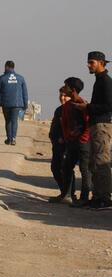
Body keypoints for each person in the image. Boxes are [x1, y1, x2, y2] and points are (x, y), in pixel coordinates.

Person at [71, 51, 112, 210]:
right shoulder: (99, 81)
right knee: (94, 162)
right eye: (88, 62)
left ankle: (105, 199)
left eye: (92, 62)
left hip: (102, 125)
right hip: (96, 125)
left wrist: (87, 107)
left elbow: (109, 106)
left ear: (101, 63)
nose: (89, 65)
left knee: (102, 162)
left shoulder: (106, 81)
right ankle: (97, 197)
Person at [60, 77, 91, 206]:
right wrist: (68, 137)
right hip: (72, 142)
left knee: (85, 170)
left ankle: (84, 198)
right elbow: (65, 123)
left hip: (83, 143)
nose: (63, 89)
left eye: (65, 86)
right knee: (67, 167)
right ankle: (68, 194)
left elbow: (89, 124)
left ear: (73, 90)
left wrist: (83, 139)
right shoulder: (67, 105)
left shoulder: (83, 104)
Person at [0, 60, 28, 145]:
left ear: (6, 67)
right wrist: (25, 104)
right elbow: (25, 92)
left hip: (6, 104)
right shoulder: (21, 78)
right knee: (14, 121)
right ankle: (13, 138)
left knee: (8, 121)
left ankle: (9, 139)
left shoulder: (1, 78)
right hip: (17, 104)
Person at [49, 90, 71, 202]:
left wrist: (65, 139)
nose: (62, 98)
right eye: (61, 95)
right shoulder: (59, 110)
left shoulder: (73, 110)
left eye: (65, 96)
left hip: (67, 145)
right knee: (55, 167)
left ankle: (68, 195)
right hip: (57, 145)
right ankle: (64, 193)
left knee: (66, 169)